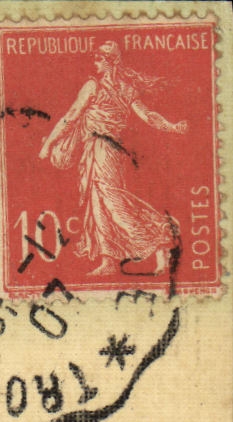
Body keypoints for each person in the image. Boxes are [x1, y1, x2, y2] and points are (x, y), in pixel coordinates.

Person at [38, 41, 188, 276]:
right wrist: (172, 127)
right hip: (104, 151)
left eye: (99, 58)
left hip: (104, 150)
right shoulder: (120, 89)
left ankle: (161, 238)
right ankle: (109, 261)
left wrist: (48, 144)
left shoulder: (96, 86)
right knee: (98, 204)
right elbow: (147, 116)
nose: (95, 62)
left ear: (110, 62)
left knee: (112, 203)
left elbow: (71, 116)